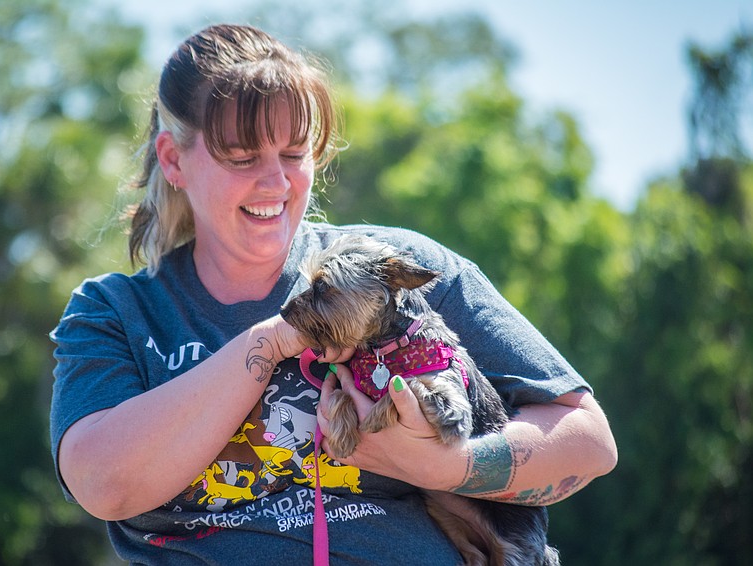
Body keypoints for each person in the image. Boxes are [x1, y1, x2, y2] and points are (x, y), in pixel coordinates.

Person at [49, 23, 617, 565]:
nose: (276, 182)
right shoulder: (114, 313)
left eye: (295, 153)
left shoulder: (393, 270)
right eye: (242, 156)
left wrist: (448, 466)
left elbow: (589, 443)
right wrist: (271, 341)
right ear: (174, 159)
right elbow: (104, 485)